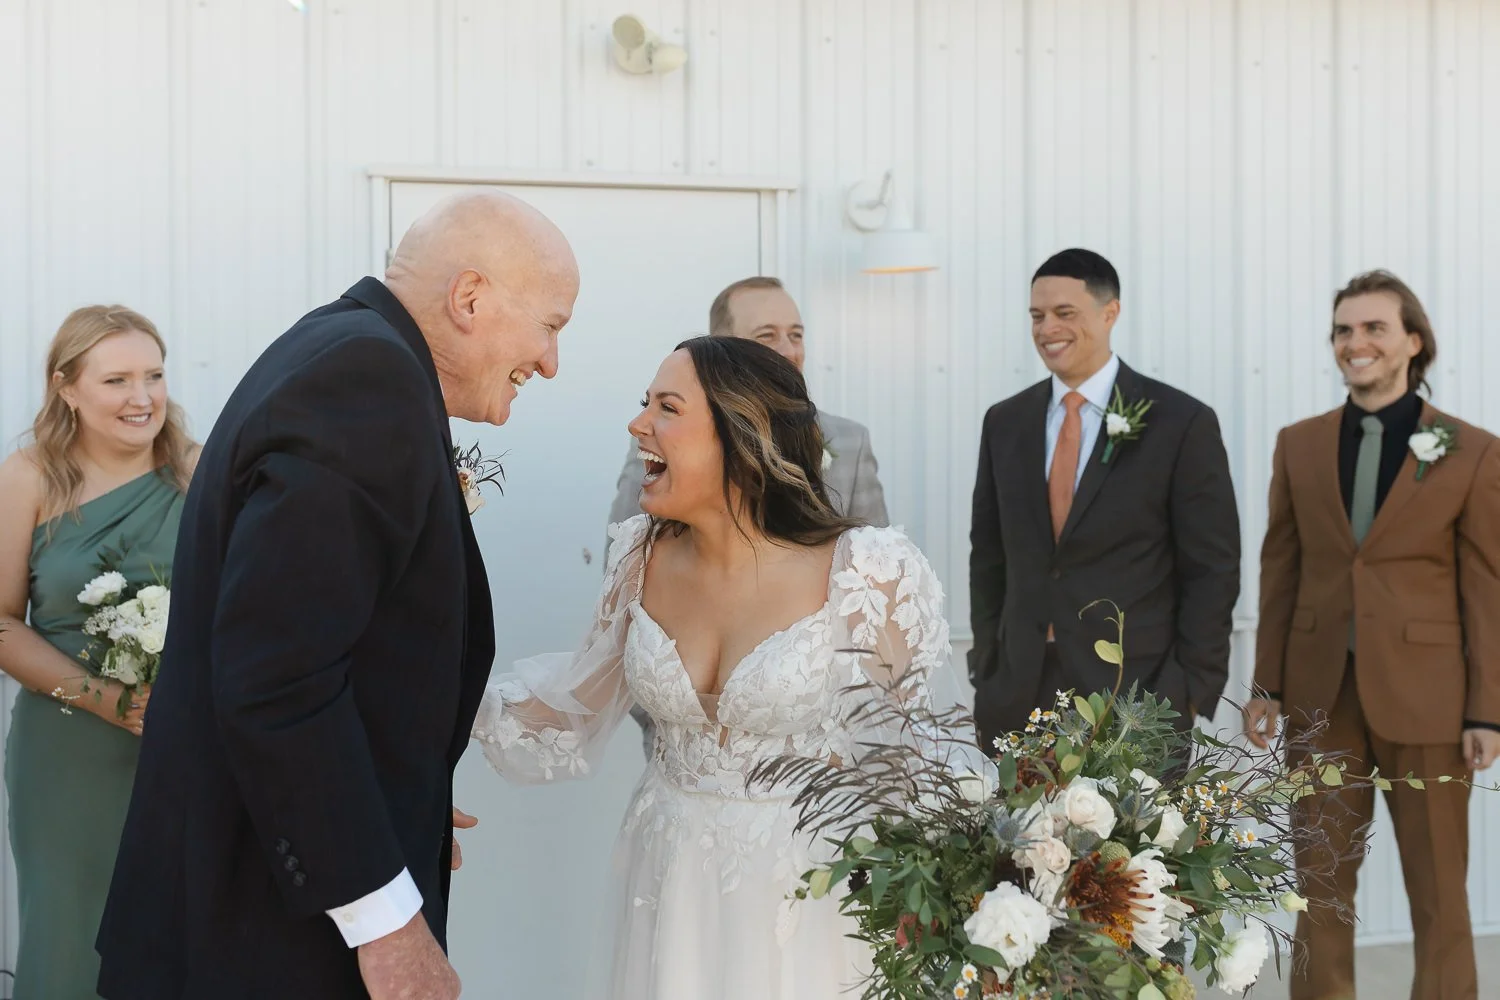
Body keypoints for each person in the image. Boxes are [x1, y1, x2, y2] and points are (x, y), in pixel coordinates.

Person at [94, 191, 579, 999]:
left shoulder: (342, 347)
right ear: (469, 299)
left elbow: (337, 641)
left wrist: (392, 804)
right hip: (261, 940)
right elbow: (277, 678)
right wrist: (385, 918)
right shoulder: (367, 380)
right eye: (552, 325)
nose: (552, 361)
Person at [474, 335, 961, 999]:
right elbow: (566, 710)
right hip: (669, 884)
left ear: (742, 437)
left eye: (667, 408)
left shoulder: (869, 572)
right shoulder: (639, 557)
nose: (638, 424)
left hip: (811, 896)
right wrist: (417, 681)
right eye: (644, 403)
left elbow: (915, 758)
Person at [1246, 270, 1500, 1000]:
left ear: (1413, 343)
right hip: (1320, 700)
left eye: (1373, 329)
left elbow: (1488, 590)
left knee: (1439, 893)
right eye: (1342, 331)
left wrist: (1487, 709)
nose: (1354, 344)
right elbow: (1280, 569)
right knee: (1319, 888)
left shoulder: (1471, 451)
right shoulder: (1298, 445)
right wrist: (1267, 684)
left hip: (1431, 704)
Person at [968, 248, 1241, 751]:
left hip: (1137, 697)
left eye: (1064, 313)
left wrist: (1189, 692)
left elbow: (1213, 568)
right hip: (1019, 693)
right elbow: (988, 555)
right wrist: (986, 663)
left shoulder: (1180, 422)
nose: (1047, 328)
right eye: (1037, 315)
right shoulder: (1004, 422)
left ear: (1110, 312)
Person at [0, 305, 197, 999]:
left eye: (154, 375)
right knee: (70, 944)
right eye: (116, 379)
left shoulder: (199, 474)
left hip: (186, 749)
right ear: (66, 386)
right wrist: (107, 699)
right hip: (67, 756)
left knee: (184, 942)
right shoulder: (25, 478)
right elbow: (0, 623)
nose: (142, 398)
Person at [607, 275, 890, 755]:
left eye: (796, 334)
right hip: (683, 754)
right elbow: (625, 606)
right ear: (724, 352)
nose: (788, 349)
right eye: (767, 336)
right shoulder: (658, 451)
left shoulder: (851, 443)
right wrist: (671, 716)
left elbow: (876, 615)